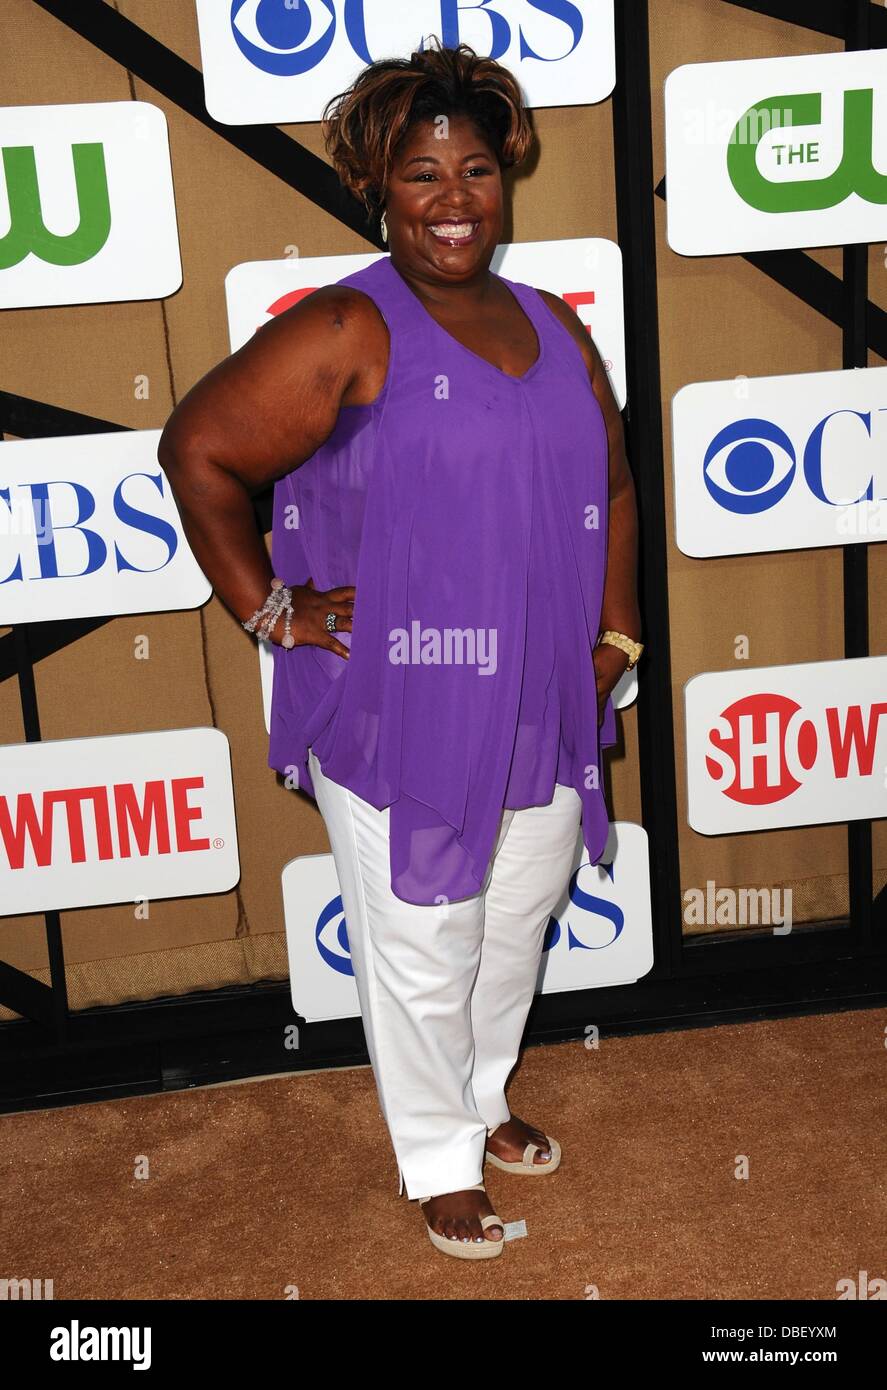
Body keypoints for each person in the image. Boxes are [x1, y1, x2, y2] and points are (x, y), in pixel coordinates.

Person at [158, 38, 642, 1261]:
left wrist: (614, 632)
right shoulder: (343, 326)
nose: (451, 201)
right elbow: (198, 451)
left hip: (539, 692)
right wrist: (276, 611)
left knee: (513, 918)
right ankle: (434, 1155)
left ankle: (477, 1101)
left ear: (507, 178)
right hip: (397, 698)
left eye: (474, 170)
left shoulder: (553, 326)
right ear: (379, 185)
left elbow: (619, 487)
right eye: (420, 174)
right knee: (425, 937)